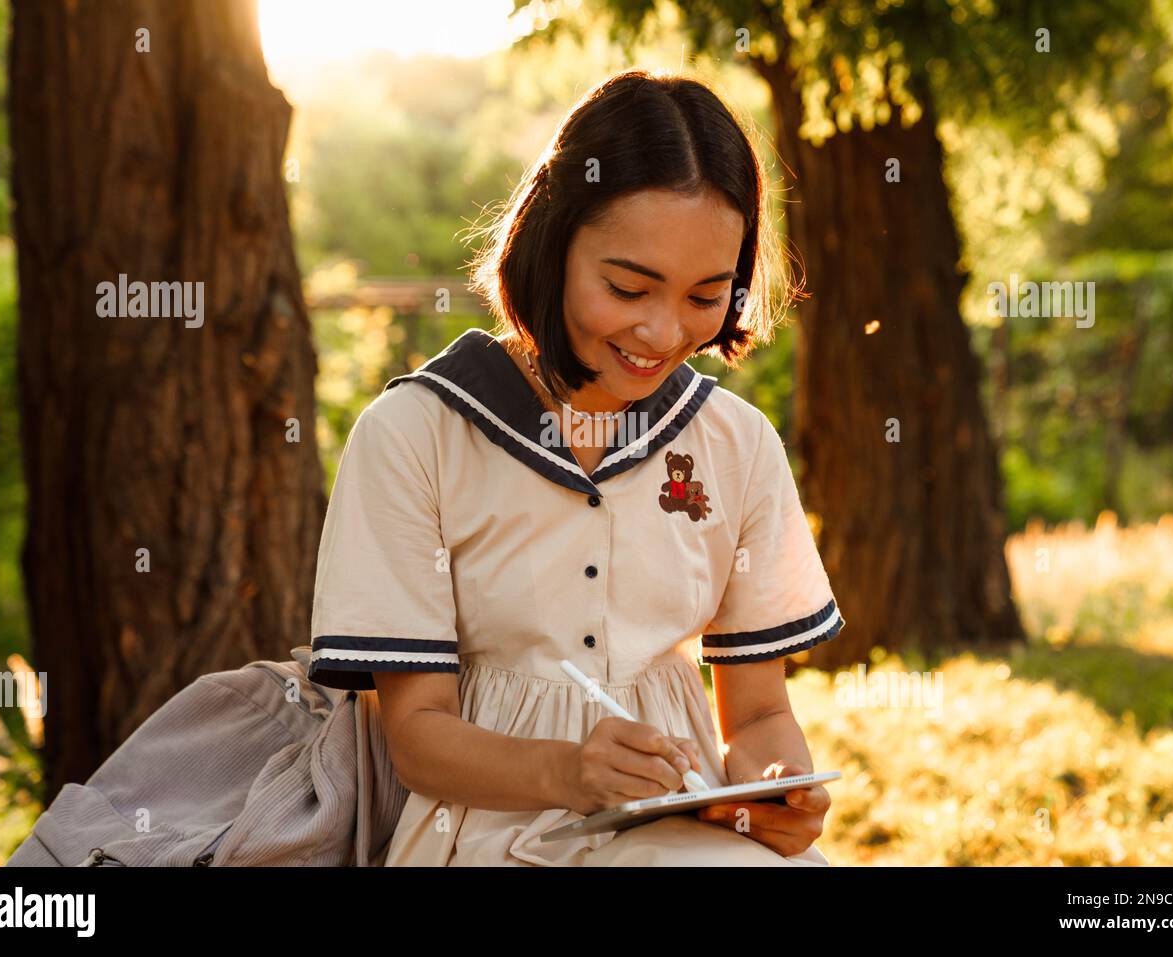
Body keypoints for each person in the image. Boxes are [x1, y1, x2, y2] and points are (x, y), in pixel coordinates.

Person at [307, 69, 846, 866]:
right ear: (551, 244)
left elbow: (760, 712)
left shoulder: (738, 444)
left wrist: (776, 790)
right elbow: (416, 736)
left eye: (707, 296)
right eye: (628, 287)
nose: (663, 332)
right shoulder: (415, 435)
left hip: (684, 831)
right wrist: (569, 770)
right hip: (483, 831)